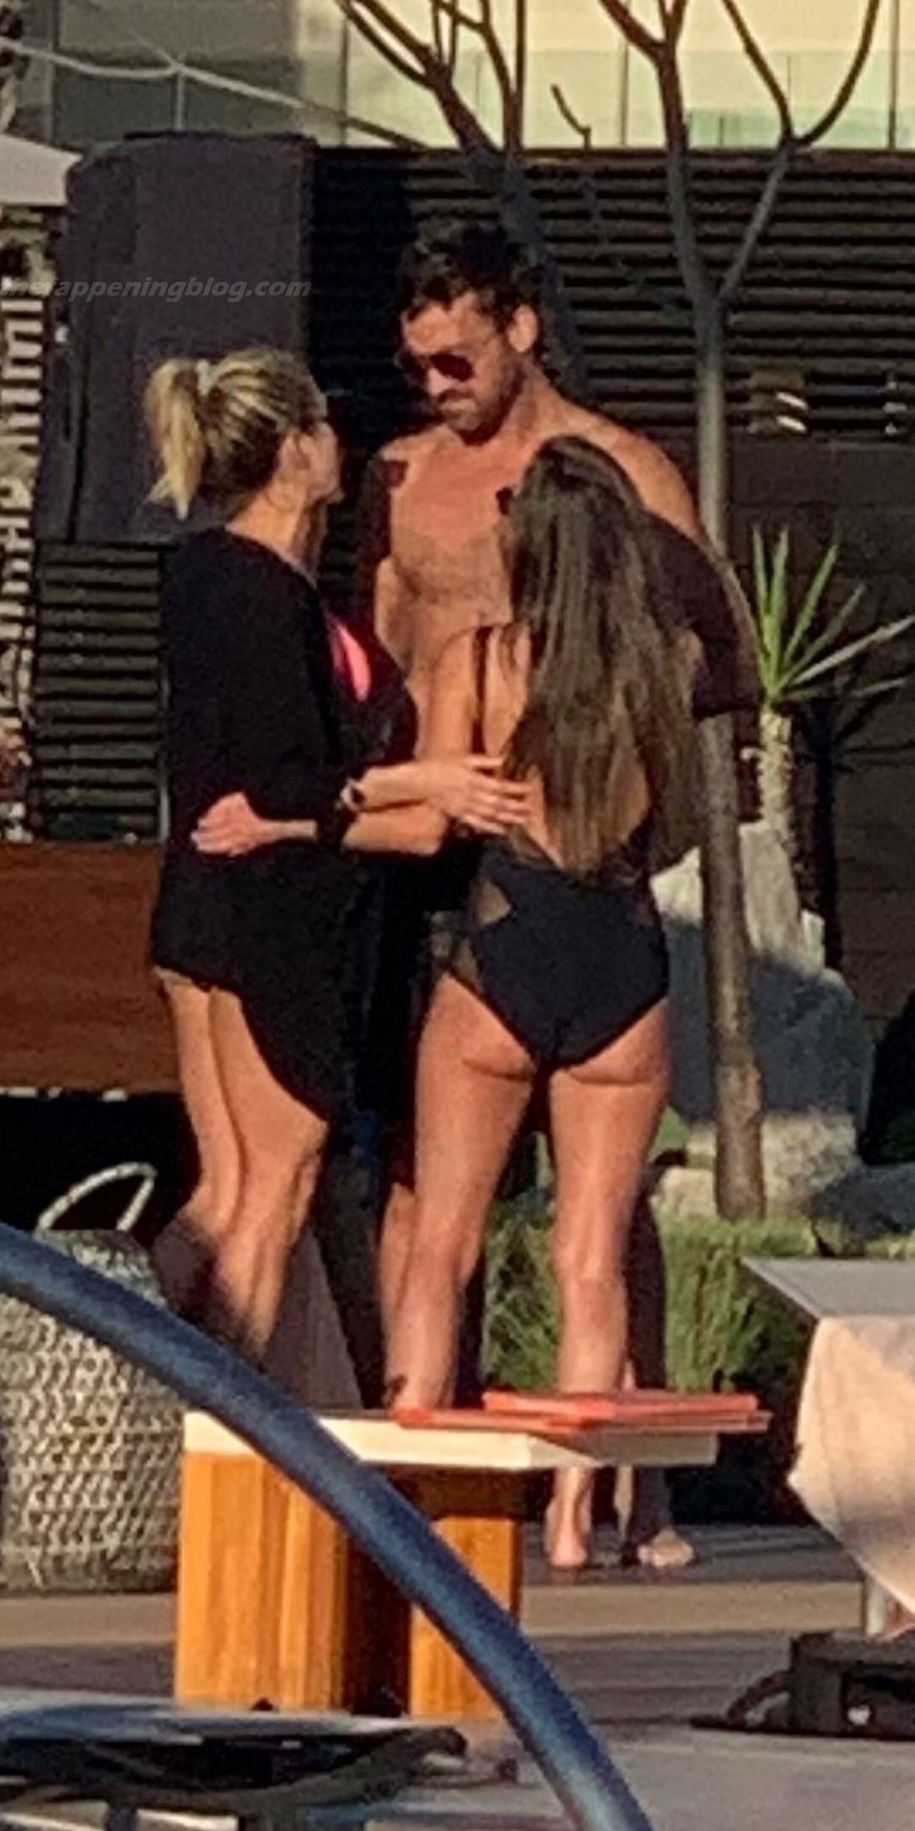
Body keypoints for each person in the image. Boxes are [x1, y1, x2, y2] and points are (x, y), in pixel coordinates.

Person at [195, 435, 701, 1571]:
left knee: (439, 1245)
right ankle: (572, 1518)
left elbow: (425, 824)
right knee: (590, 1259)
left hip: (507, 945)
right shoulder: (664, 663)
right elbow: (664, 824)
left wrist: (288, 818)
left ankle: (417, 1499)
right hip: (621, 954)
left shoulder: (483, 661)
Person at [357, 219, 755, 1561]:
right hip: (527, 880)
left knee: (546, 1221)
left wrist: (339, 801)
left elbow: (722, 654)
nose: (436, 386)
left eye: (456, 359)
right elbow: (370, 646)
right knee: (454, 1204)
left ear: (519, 328)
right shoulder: (403, 479)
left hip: (512, 860)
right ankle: (545, 1500)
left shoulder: (622, 471)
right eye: (417, 365)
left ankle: (614, 1489)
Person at [144, 347, 527, 1361]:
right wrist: (425, 780)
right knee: (276, 1186)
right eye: (323, 429)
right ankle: (225, 1424)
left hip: (198, 904)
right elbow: (283, 783)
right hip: (268, 918)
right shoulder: (266, 596)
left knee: (225, 1190)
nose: (341, 449)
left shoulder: (208, 576)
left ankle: (103, 1369)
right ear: (291, 451)